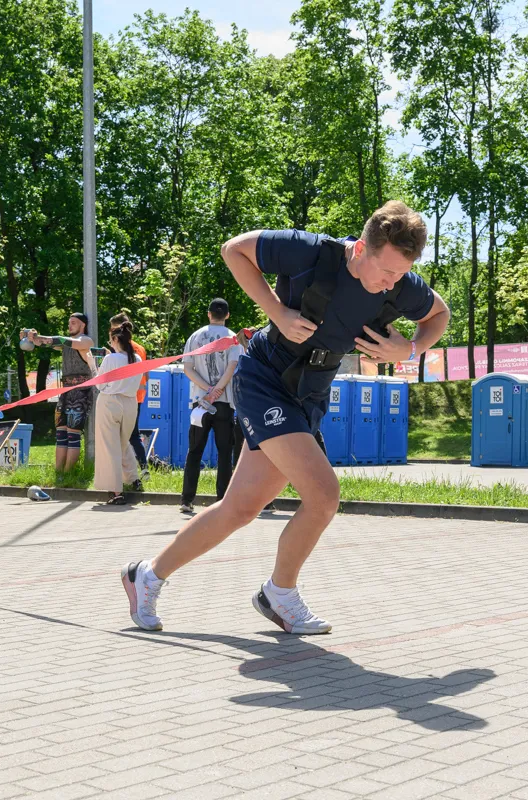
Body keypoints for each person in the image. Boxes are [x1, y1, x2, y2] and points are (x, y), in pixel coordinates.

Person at [122, 201, 450, 634]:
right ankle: (280, 592)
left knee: (240, 508)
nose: (392, 283)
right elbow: (233, 249)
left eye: (400, 274)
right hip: (264, 380)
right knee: (323, 495)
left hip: (309, 394)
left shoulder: (400, 283)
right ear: (360, 249)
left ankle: (146, 575)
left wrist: (410, 349)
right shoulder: (310, 251)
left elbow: (439, 313)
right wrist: (277, 311)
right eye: (387, 272)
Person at [179, 299, 244, 515]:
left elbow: (187, 368)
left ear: (208, 314)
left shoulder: (195, 337)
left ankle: (187, 499)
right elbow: (233, 366)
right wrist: (218, 390)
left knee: (194, 451)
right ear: (227, 315)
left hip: (200, 403)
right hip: (224, 403)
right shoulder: (232, 338)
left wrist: (207, 389)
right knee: (225, 453)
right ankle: (222, 500)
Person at [23, 313, 96, 475]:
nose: (70, 325)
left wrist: (42, 338)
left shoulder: (86, 341)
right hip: (65, 392)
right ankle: (59, 473)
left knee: (73, 434)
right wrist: (33, 338)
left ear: (83, 325)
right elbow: (49, 343)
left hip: (80, 393)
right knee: (61, 433)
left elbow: (61, 340)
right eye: (69, 322)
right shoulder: (65, 344)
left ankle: (69, 474)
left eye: (74, 322)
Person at [93, 321, 143, 505]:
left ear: (115, 339)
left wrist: (94, 365)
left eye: (110, 340)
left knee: (110, 447)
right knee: (122, 444)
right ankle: (133, 478)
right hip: (130, 404)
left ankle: (116, 492)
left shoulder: (110, 359)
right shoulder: (137, 359)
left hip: (110, 402)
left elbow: (99, 385)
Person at [110, 313, 150, 486]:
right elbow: (146, 374)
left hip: (123, 397)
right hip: (137, 396)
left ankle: (131, 472)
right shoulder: (140, 348)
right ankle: (143, 467)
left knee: (124, 435)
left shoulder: (120, 348)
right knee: (133, 434)